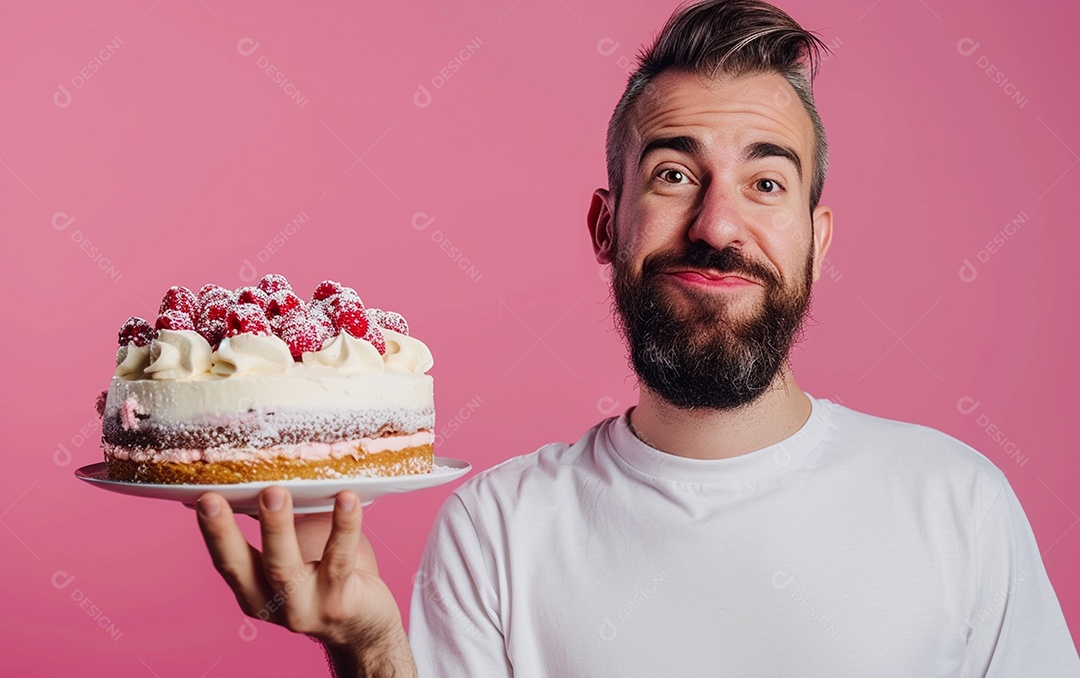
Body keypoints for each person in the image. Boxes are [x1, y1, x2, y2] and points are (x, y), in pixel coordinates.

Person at [195, 1, 1080, 675]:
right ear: (604, 225)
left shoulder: (958, 504)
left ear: (818, 241)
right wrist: (371, 648)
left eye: (767, 184)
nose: (717, 224)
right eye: (673, 173)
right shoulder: (498, 527)